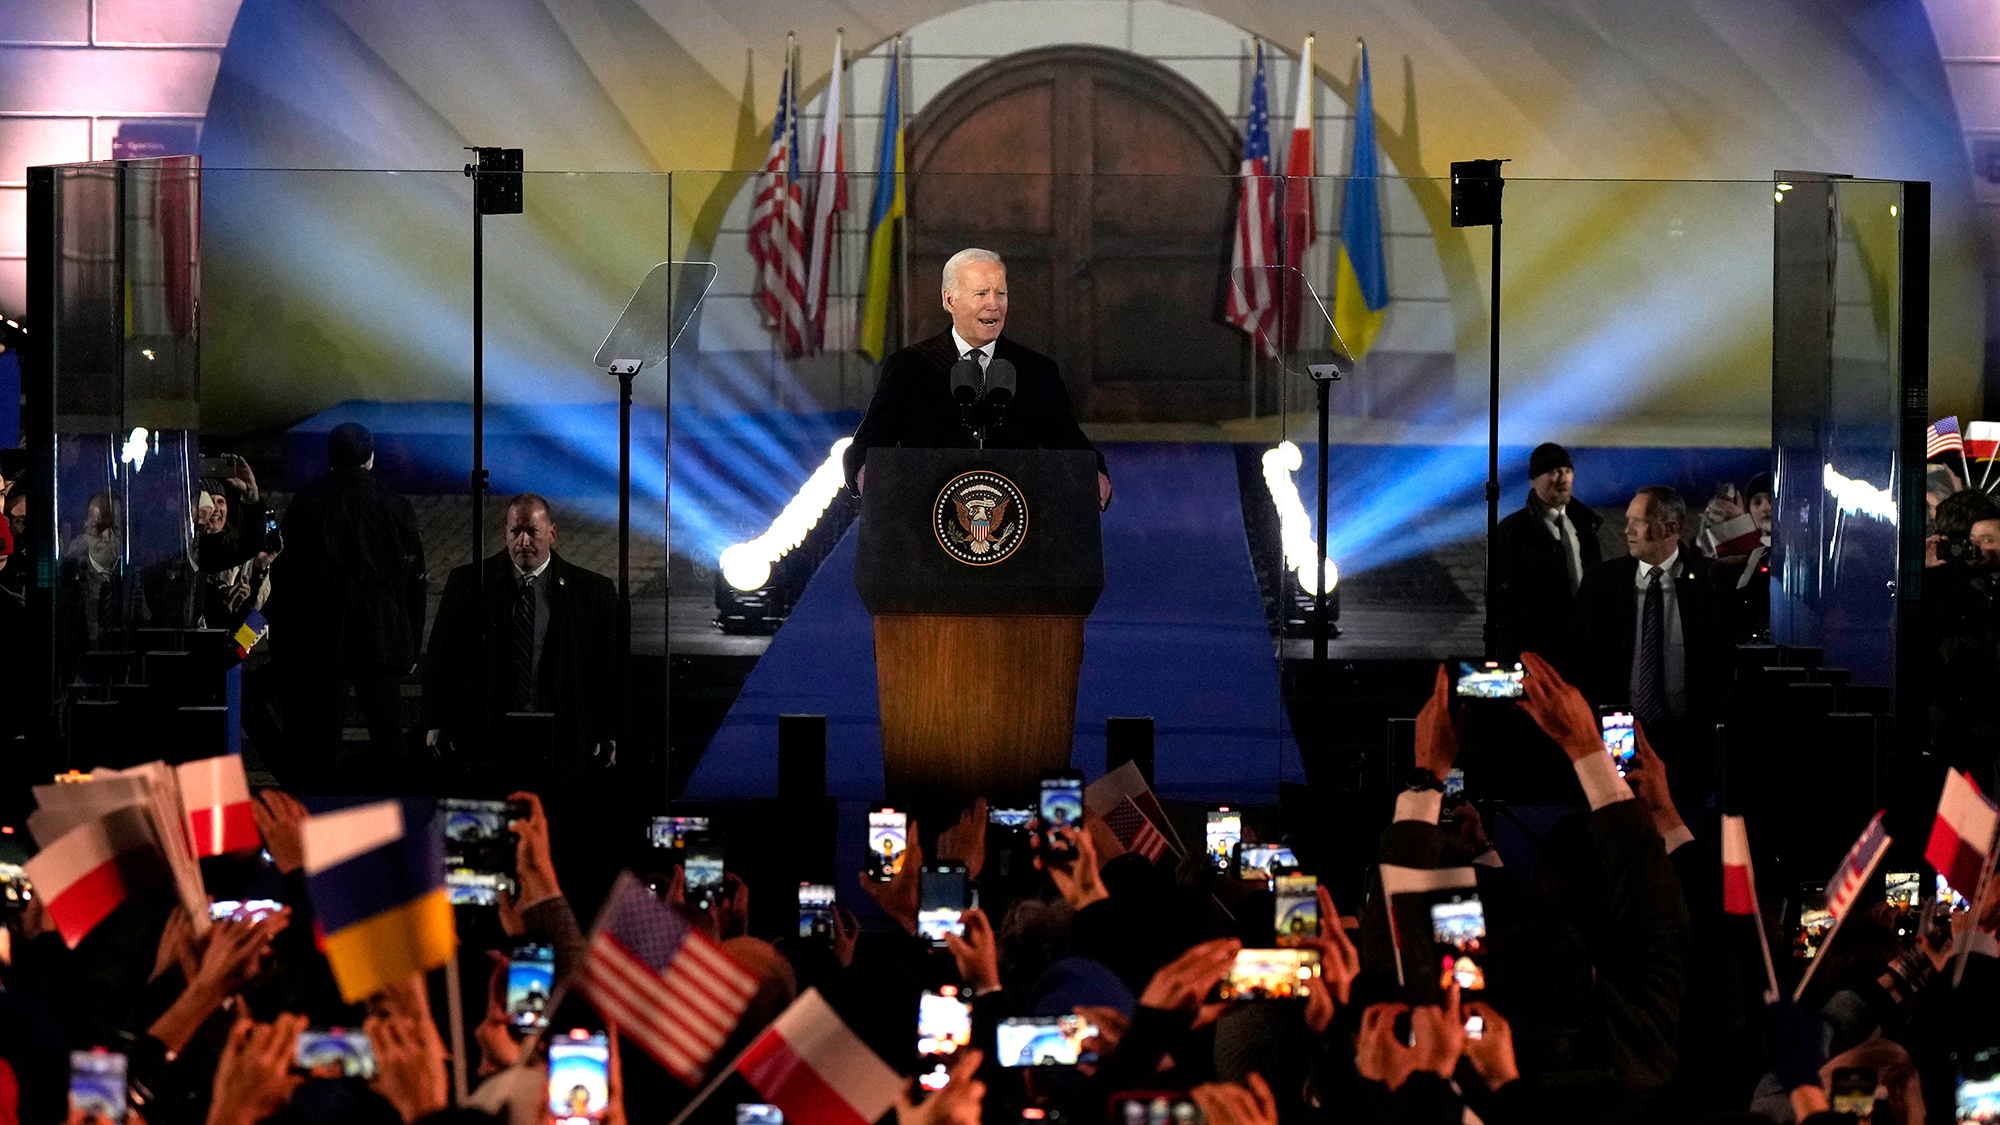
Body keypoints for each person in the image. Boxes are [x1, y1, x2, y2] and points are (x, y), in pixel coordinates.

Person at [843, 248, 1111, 509]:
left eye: (1001, 294)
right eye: (981, 294)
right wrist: (862, 471)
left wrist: (1094, 471)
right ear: (950, 301)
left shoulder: (1037, 371)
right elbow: (871, 442)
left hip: (1015, 526)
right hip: (926, 523)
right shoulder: (908, 368)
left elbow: (1068, 442)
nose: (993, 305)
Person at [266, 422, 426, 789]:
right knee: (388, 731)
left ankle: (325, 818)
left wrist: (284, 641)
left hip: (324, 637)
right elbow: (415, 579)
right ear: (370, 458)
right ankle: (397, 814)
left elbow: (287, 576)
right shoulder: (394, 504)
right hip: (382, 631)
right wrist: (411, 639)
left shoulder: (308, 501)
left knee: (324, 739)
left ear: (330, 457)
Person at [422, 493, 617, 784]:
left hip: (563, 736)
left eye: (532, 532)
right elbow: (442, 657)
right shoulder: (468, 585)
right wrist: (436, 720)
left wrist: (608, 728)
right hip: (488, 735)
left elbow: (607, 668)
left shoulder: (591, 592)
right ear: (506, 533)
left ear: (552, 533)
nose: (523, 542)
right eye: (515, 532)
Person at [1569, 485, 1731, 762]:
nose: (1627, 530)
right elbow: (1578, 658)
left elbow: (1722, 667)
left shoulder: (1711, 584)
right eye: (1628, 520)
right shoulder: (1601, 584)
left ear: (1669, 528)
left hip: (1691, 740)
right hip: (1617, 731)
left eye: (1638, 522)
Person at [1489, 442, 1601, 665]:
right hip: (1538, 656)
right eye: (1553, 472)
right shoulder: (1513, 532)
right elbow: (1503, 601)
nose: (1563, 479)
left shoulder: (1585, 526)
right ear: (1534, 479)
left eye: (1568, 471)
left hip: (1582, 652)